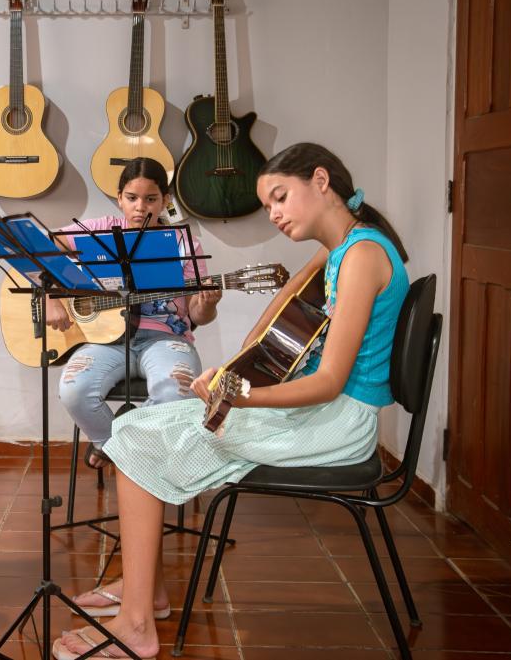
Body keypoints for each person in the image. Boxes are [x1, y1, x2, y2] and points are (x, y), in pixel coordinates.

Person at [53, 142, 411, 660]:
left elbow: (331, 381)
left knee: (131, 434)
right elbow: (281, 312)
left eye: (281, 198)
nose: (276, 215)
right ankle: (144, 593)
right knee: (134, 433)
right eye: (268, 206)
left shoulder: (361, 256)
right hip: (317, 412)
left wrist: (243, 395)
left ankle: (136, 622)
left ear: (321, 181)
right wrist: (238, 364)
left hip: (334, 422)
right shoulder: (345, 248)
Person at [49, 158, 223, 469]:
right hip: (105, 339)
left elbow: (198, 314)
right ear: (119, 198)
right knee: (73, 390)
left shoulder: (184, 243)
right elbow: (42, 248)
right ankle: (117, 446)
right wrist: (51, 297)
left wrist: (207, 302)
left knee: (175, 392)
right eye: (131, 198)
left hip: (165, 338)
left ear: (165, 200)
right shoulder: (96, 232)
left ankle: (121, 449)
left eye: (151, 199)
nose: (140, 207)